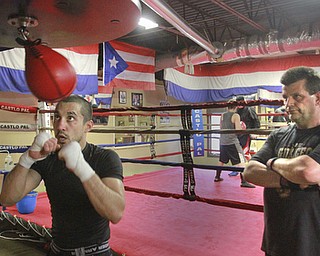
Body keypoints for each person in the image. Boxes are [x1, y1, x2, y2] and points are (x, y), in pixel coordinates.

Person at [0, 95, 125, 256]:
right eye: (57, 117)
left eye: (70, 118)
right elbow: (7, 198)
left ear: (88, 126)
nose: (60, 125)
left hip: (96, 252)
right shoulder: (47, 158)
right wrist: (27, 159)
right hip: (57, 250)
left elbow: (115, 213)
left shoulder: (104, 158)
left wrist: (81, 168)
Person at [243, 66, 320, 256]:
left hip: (313, 244)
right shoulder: (278, 135)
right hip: (276, 241)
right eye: (286, 97)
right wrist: (288, 179)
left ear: (317, 98)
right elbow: (250, 171)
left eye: (297, 96)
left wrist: (272, 163)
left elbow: (308, 171)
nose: (288, 103)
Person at [214, 100, 255, 188]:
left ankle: (217, 177)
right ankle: (244, 181)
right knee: (241, 160)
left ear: (227, 107)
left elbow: (221, 128)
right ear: (236, 107)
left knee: (222, 160)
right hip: (232, 141)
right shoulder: (236, 115)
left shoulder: (222, 115)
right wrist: (243, 127)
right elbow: (238, 130)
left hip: (223, 141)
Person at [228, 95, 261, 176]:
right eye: (237, 103)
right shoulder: (236, 111)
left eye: (240, 102)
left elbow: (256, 122)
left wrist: (254, 132)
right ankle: (236, 168)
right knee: (236, 151)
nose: (239, 104)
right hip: (238, 134)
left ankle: (249, 170)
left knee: (245, 152)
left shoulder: (249, 110)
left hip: (247, 133)